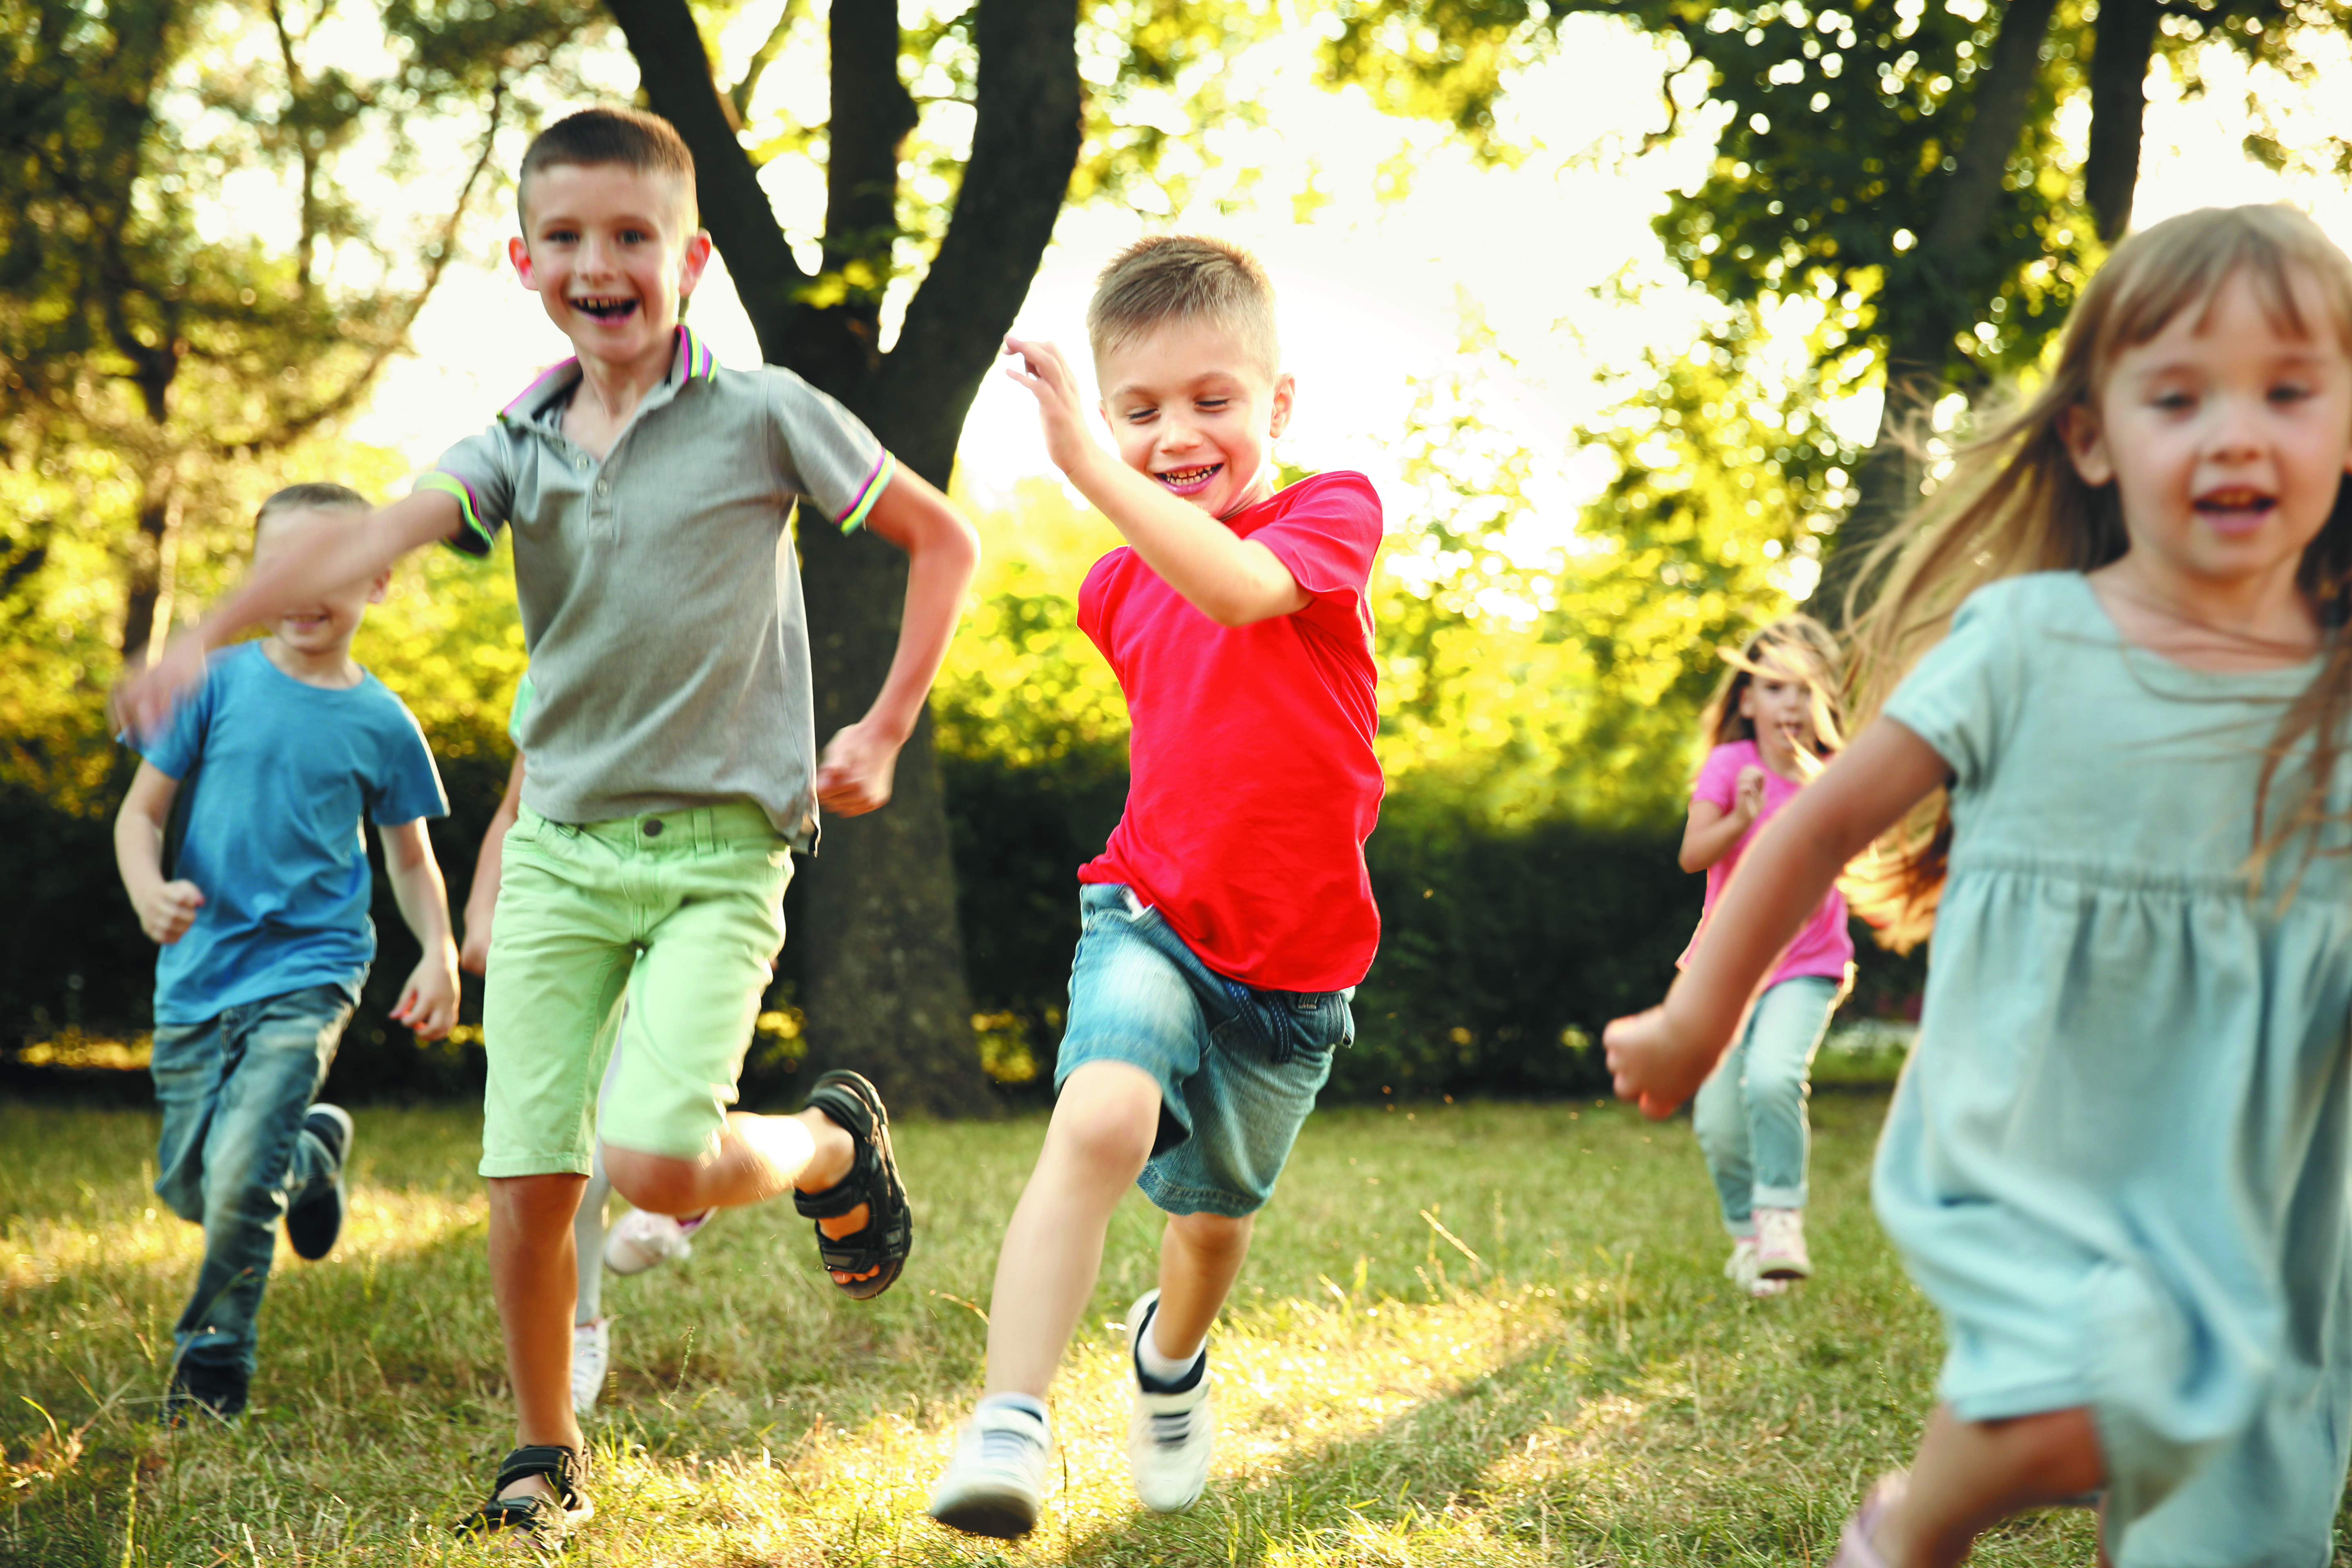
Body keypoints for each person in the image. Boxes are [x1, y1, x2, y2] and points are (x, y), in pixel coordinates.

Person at [115, 106, 980, 1550]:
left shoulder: (767, 413)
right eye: (568, 238)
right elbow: (368, 537)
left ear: (690, 258)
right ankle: (542, 1450)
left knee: (653, 1159)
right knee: (528, 1175)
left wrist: (883, 726)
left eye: (632, 237)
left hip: (719, 853)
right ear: (525, 260)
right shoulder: (514, 445)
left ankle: (827, 1148)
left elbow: (942, 539)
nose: (601, 263)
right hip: (564, 851)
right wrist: (207, 634)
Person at [1605, 203, 2352, 1568]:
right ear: (2092, 437)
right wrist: (1695, 1022)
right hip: (2048, 1148)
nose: (2238, 432)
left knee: (2233, 1527)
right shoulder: (2029, 642)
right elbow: (1814, 824)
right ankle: (1917, 1526)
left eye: (2290, 392)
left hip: (2272, 1179)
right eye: (2180, 397)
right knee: (2080, 1402)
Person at [925, 236, 1383, 1539]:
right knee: (1105, 1119)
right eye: (1138, 412)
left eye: (1212, 401)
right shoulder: (1113, 588)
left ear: (1278, 405)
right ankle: (1008, 1424)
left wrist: (1087, 468)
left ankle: (1169, 1362)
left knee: (1211, 1226)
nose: (1177, 435)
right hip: (1146, 912)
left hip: (1294, 976)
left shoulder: (1328, 511)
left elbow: (1242, 597)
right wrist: (1100, 481)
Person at [113, 483, 458, 1425]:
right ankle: (313, 1159)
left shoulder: (383, 722)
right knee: (193, 1185)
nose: (305, 591)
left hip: (312, 969)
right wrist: (149, 889)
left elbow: (410, 859)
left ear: (378, 578)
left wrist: (439, 951)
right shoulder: (215, 684)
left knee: (235, 1181)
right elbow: (140, 817)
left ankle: (213, 1362)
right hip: (196, 975)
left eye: (332, 568)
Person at [460, 747, 710, 1419]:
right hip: (573, 913)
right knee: (567, 1165)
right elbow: (516, 804)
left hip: (680, 901)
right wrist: (483, 911)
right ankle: (582, 1327)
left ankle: (684, 1179)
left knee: (636, 1141)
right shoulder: (553, 668)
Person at [1674, 616, 1851, 1299]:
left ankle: (1782, 1218)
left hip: (1808, 962)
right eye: (1776, 688)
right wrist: (1742, 818)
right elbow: (1694, 855)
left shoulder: (1836, 776)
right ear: (1748, 701)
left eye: (1805, 690)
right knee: (1718, 1122)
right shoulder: (1729, 766)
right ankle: (1748, 1237)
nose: (1792, 705)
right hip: (1724, 969)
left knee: (1774, 1078)